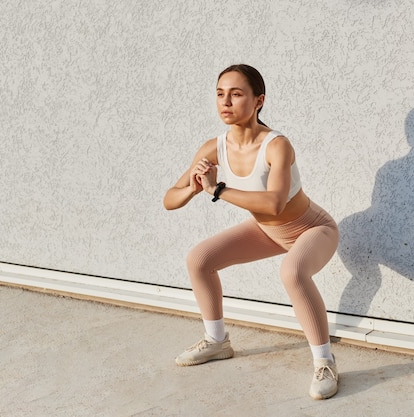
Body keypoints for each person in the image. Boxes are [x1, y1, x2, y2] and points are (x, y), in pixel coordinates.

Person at [163, 64, 340, 400]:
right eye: (220, 94)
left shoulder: (277, 145)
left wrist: (218, 189)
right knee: (199, 259)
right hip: (267, 231)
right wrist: (194, 187)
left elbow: (274, 204)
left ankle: (325, 362)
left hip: (312, 228)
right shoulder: (213, 148)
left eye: (236, 94)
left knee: (292, 272)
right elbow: (169, 199)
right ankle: (217, 342)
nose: (225, 102)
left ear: (259, 100)